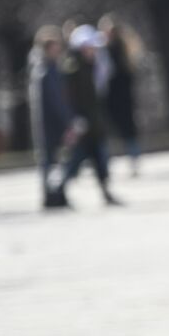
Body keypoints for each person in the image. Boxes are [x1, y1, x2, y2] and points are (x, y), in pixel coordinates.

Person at [56, 25, 121, 206]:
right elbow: (69, 96)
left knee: (100, 158)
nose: (93, 50)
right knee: (75, 159)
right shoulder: (73, 67)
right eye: (90, 46)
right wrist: (74, 118)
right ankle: (59, 190)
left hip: (93, 121)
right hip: (81, 122)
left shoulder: (91, 65)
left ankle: (105, 192)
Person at [27, 26, 73, 209]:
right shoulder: (44, 71)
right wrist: (68, 120)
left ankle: (55, 195)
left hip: (51, 125)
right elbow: (56, 100)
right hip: (49, 125)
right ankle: (52, 196)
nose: (58, 50)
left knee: (54, 162)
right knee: (50, 162)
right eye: (54, 47)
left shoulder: (48, 69)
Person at [99, 14, 141, 176]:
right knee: (126, 131)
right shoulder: (124, 49)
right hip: (120, 97)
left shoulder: (113, 50)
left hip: (116, 96)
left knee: (120, 131)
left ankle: (110, 162)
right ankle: (131, 161)